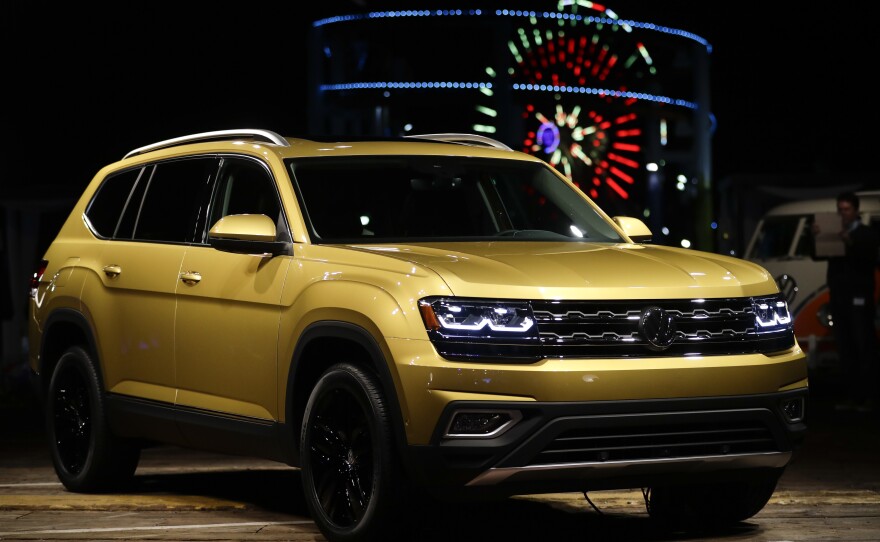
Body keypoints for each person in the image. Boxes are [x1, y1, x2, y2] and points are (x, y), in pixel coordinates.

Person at [812, 191, 880, 412]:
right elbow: (817, 255)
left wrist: (848, 241)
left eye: (847, 209)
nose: (843, 213)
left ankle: (870, 397)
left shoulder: (866, 233)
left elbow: (868, 258)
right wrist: (816, 237)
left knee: (864, 345)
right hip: (839, 296)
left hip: (859, 297)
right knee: (845, 346)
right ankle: (852, 395)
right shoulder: (834, 233)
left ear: (856, 210)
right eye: (839, 209)